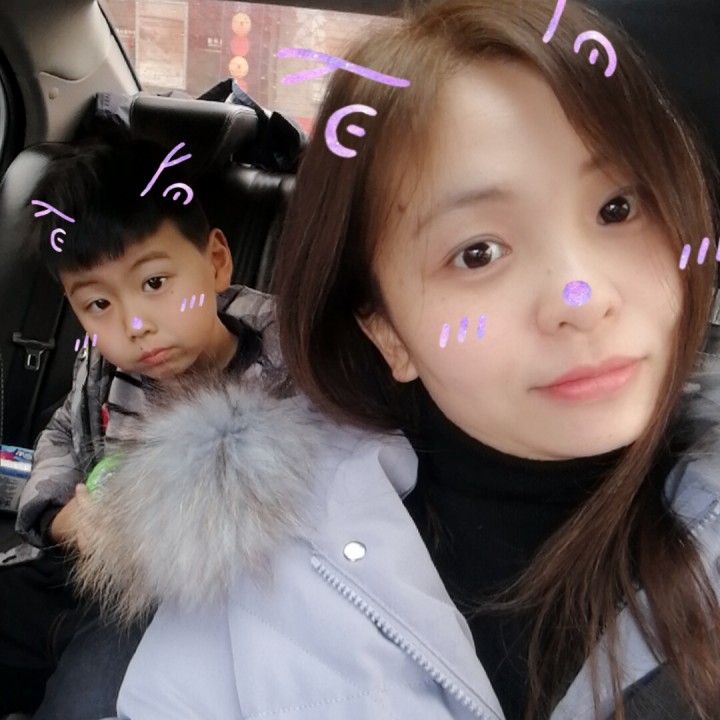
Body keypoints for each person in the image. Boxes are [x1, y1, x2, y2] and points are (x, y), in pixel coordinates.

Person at [72, 0, 720, 718]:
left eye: (618, 209)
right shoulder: (250, 568)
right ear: (387, 333)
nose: (584, 297)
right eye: (478, 252)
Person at [0, 133, 284, 718]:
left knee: (87, 702)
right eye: (98, 305)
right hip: (78, 571)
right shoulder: (104, 368)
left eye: (155, 283)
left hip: (182, 606)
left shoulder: (284, 371)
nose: (134, 325)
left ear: (215, 262)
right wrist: (58, 516)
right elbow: (63, 434)